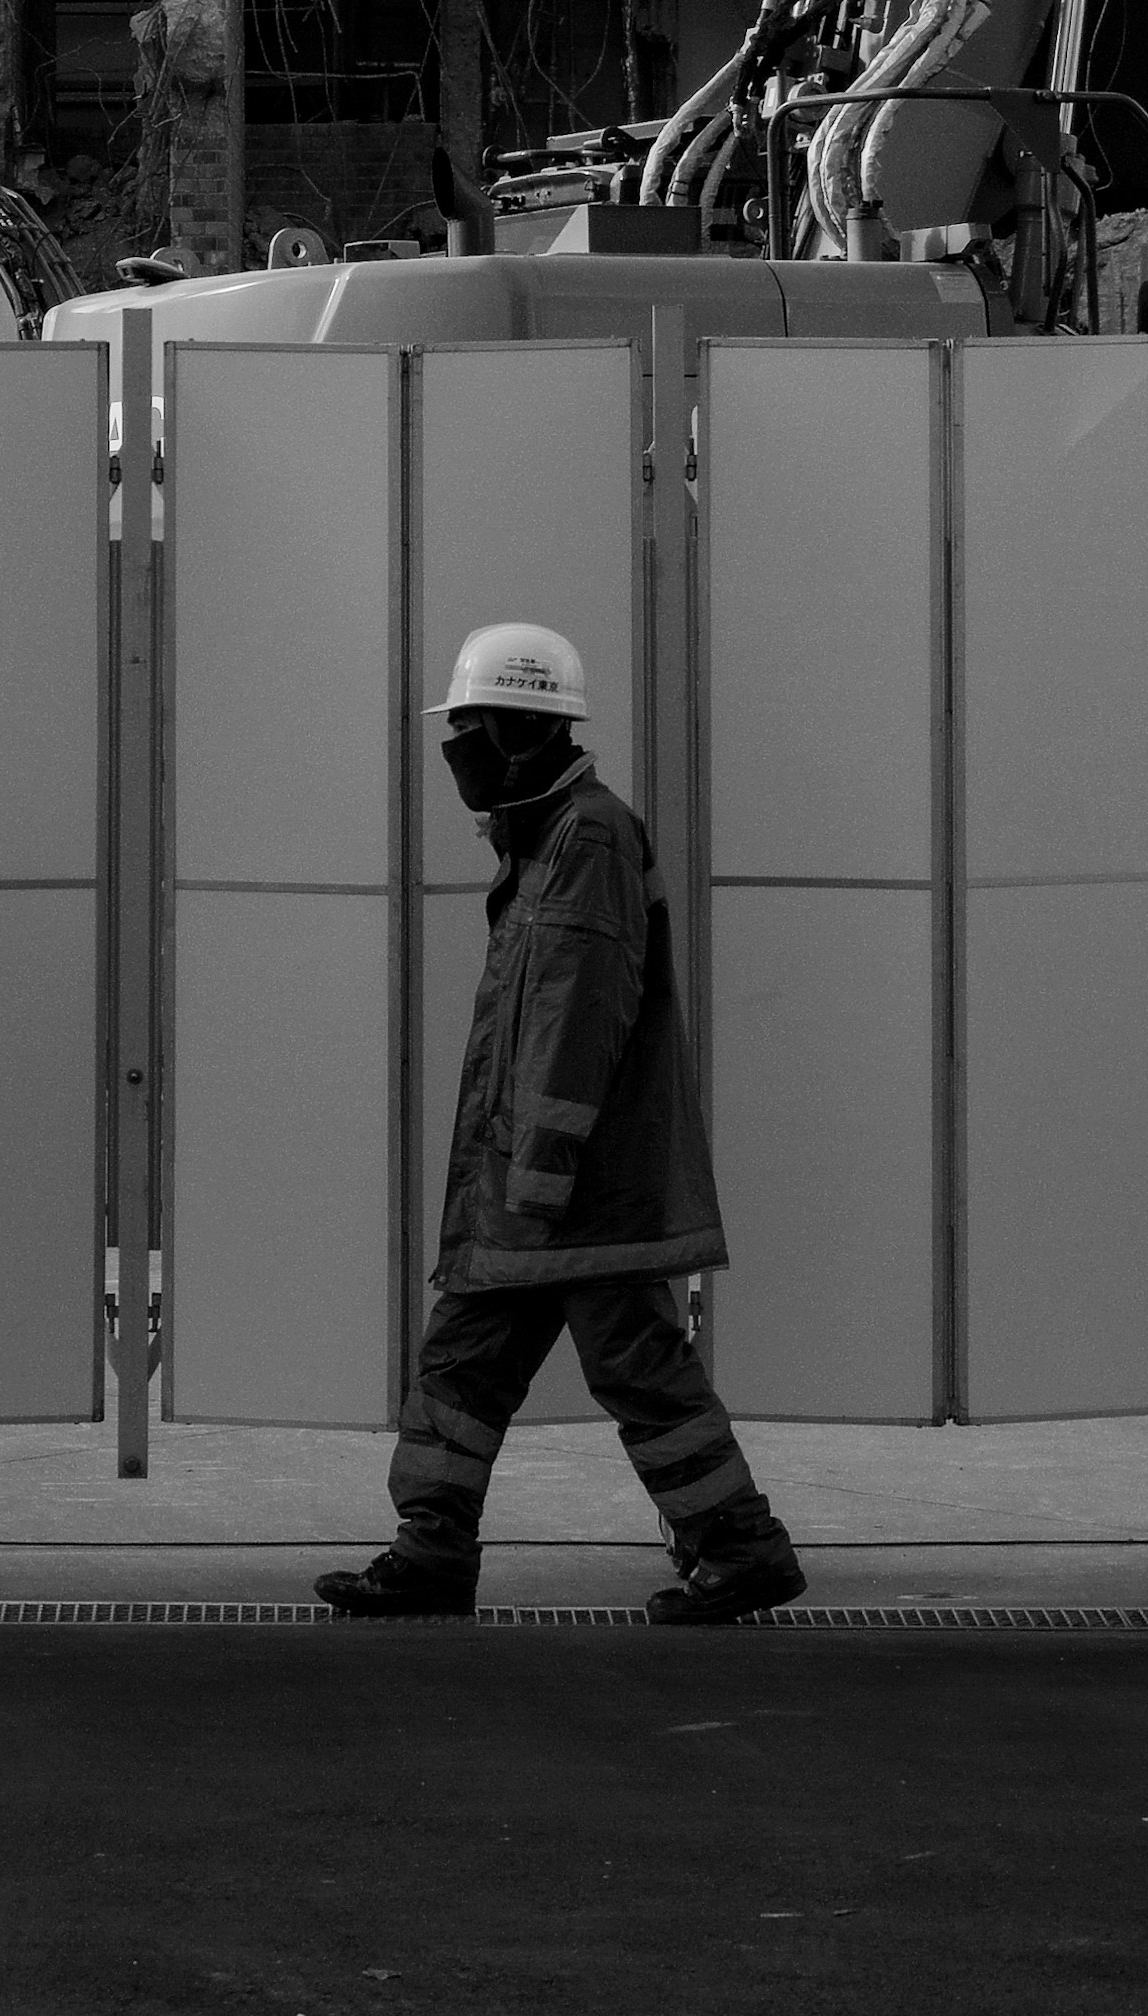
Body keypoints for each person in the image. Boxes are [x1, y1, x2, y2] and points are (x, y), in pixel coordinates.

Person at [316, 624, 806, 1627]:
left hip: (577, 1192)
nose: (457, 749)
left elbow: (575, 1019)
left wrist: (538, 1174)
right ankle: (432, 1552)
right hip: (544, 1188)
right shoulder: (551, 840)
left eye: (469, 727)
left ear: (522, 729)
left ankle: (739, 1546)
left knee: (634, 1367)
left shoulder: (585, 841)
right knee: (464, 1364)